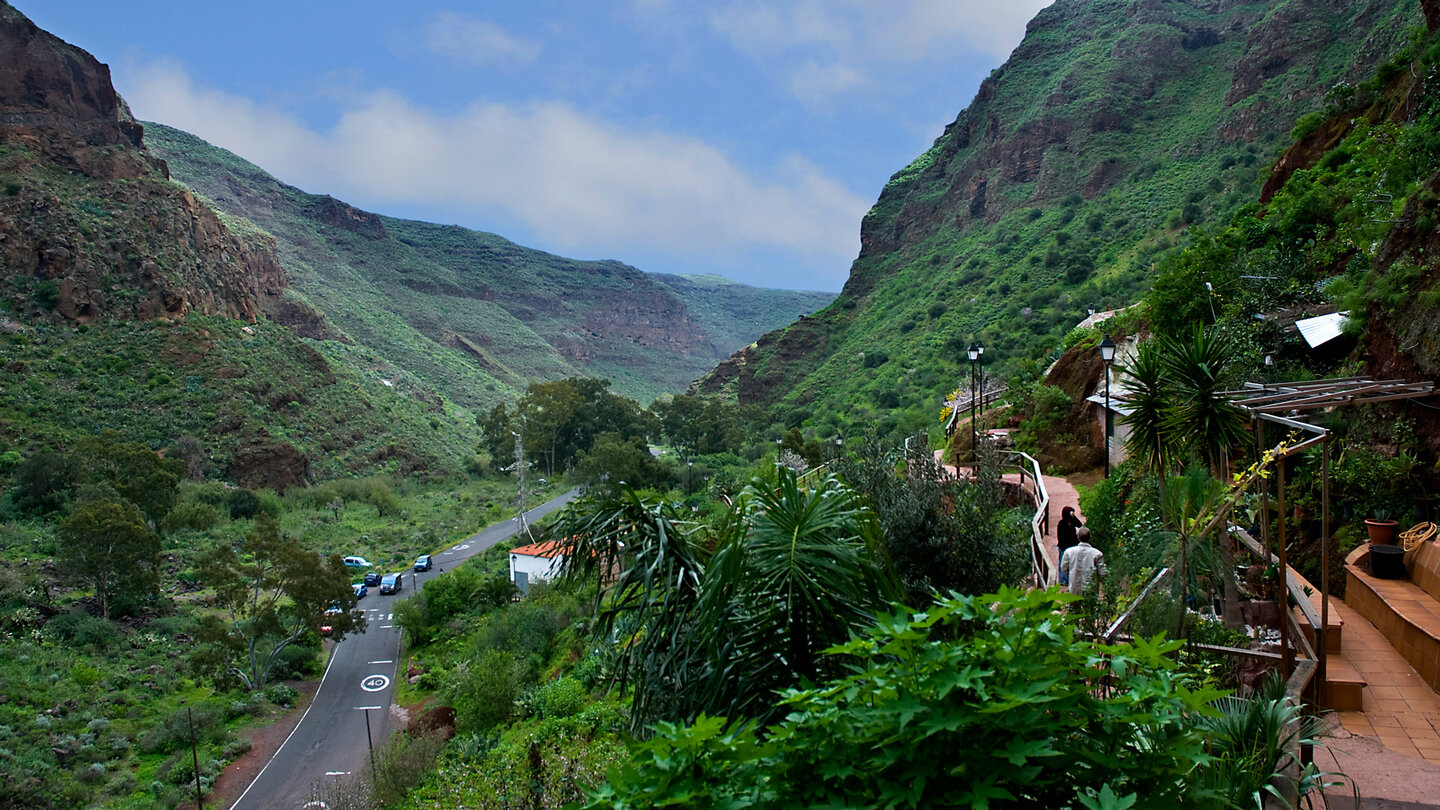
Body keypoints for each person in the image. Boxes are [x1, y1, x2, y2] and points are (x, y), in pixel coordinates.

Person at [1059, 527, 1106, 597]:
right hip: (1091, 590)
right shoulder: (1097, 554)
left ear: (1078, 538)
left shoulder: (1069, 552)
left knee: (1074, 606)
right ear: (1090, 537)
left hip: (1074, 589)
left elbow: (1063, 569)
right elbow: (1103, 573)